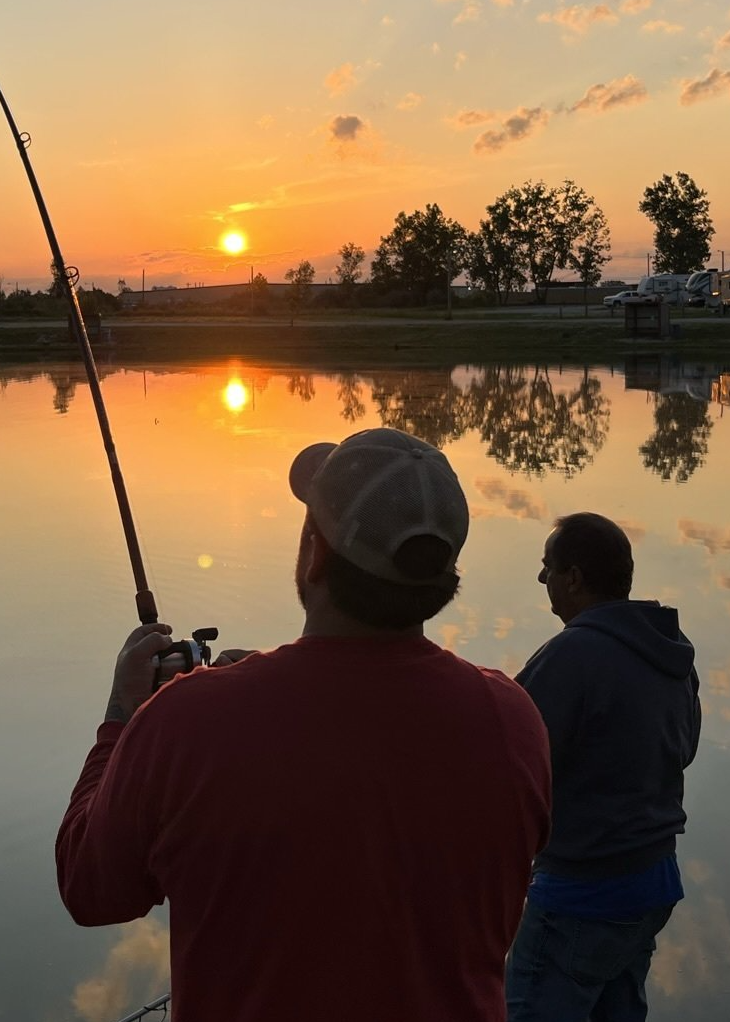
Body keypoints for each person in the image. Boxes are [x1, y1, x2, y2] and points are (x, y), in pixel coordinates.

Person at [57, 427, 552, 1022]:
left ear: (314, 553)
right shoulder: (513, 720)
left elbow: (89, 889)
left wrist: (122, 717)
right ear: (441, 574)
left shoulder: (184, 722)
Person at [505, 513, 702, 1022]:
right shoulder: (671, 654)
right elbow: (684, 750)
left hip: (582, 896)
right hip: (652, 885)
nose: (541, 579)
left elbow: (510, 769)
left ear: (573, 578)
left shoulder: (572, 655)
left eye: (547, 568)